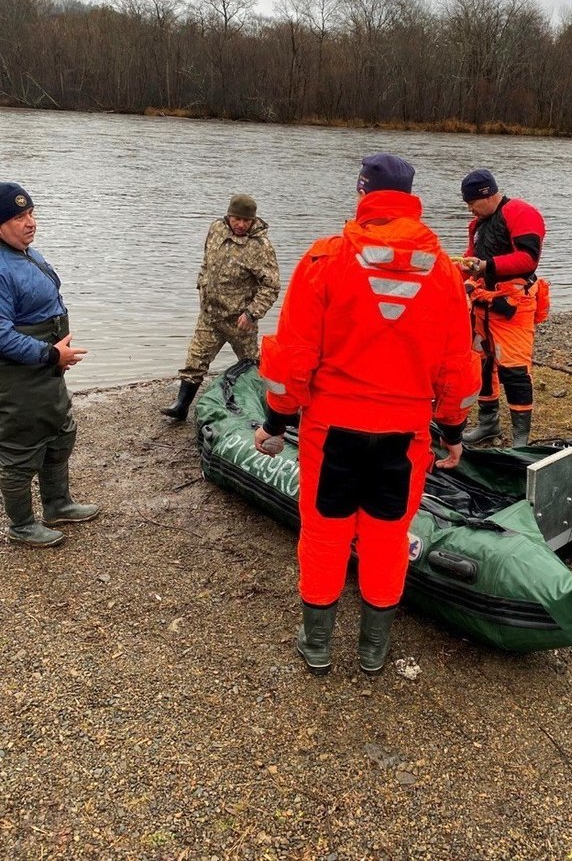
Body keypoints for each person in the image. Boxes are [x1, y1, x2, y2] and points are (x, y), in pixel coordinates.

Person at [254, 153, 480, 677]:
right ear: (410, 197)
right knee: (386, 538)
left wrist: (275, 421)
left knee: (325, 533)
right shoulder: (444, 272)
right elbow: (457, 369)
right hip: (404, 433)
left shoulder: (324, 260)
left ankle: (317, 645)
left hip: (332, 428)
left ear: (363, 194)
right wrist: (451, 431)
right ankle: (373, 651)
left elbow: (293, 356)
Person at [0, 182, 99, 548]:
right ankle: (22, 525)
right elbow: (0, 335)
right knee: (21, 448)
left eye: (31, 213)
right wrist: (51, 354)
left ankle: (57, 504)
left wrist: (57, 354)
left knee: (60, 433)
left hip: (46, 370)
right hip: (18, 375)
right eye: (18, 216)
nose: (30, 222)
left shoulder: (27, 253)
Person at [161, 193, 281, 421]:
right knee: (195, 361)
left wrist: (251, 314)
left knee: (252, 366)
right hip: (210, 316)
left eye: (246, 221)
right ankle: (180, 407)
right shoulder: (216, 229)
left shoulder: (260, 246)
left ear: (253, 220)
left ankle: (270, 410)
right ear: (229, 216)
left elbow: (271, 286)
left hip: (239, 321)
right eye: (237, 219)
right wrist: (202, 283)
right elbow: (207, 260)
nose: (241, 224)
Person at [457, 168, 548, 447]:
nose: (470, 210)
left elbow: (527, 260)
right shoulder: (478, 224)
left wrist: (486, 266)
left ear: (486, 195)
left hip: (512, 305)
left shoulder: (520, 212)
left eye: (472, 203)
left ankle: (521, 437)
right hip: (484, 304)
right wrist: (462, 270)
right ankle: (488, 423)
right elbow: (473, 259)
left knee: (515, 370)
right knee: (482, 365)